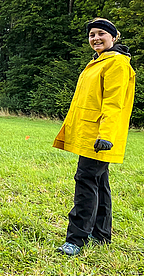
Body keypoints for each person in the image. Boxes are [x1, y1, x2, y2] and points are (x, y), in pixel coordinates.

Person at [53, 18, 136, 256]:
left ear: (114, 37)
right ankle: (100, 235)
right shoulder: (99, 62)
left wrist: (107, 135)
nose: (96, 38)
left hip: (100, 137)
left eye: (101, 34)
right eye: (92, 35)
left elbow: (114, 102)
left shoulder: (116, 64)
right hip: (91, 134)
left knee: (85, 182)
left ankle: (75, 240)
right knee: (99, 183)